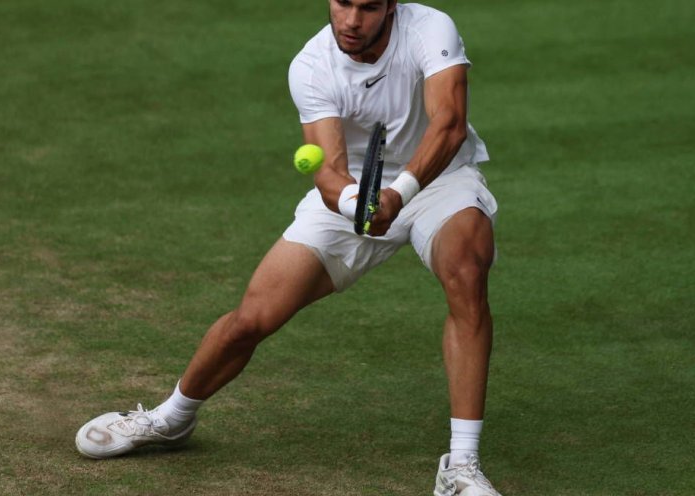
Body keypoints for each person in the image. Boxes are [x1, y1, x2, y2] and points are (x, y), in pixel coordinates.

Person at [76, 1, 502, 494]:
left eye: (368, 7)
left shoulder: (431, 28)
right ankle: (171, 418)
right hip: (354, 193)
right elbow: (328, 171)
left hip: (438, 181)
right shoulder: (312, 64)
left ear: (391, 6)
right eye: (343, 3)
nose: (351, 20)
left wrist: (399, 192)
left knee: (467, 274)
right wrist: (354, 202)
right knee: (252, 318)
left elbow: (448, 123)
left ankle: (460, 468)